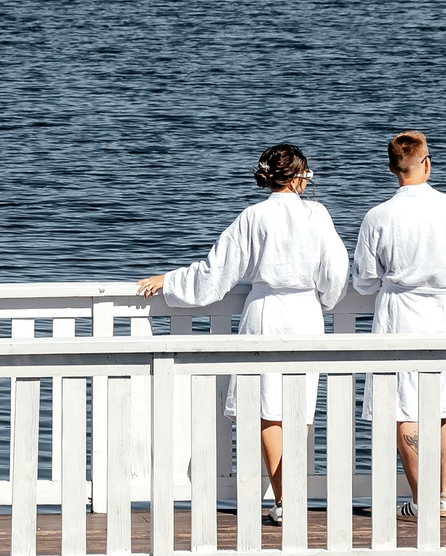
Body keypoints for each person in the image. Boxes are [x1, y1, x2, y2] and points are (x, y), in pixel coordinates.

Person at [136, 143, 348, 523]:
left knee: (269, 410)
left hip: (265, 312)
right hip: (305, 314)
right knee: (298, 411)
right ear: (300, 176)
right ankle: (292, 495)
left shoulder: (253, 216)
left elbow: (213, 275)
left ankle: (285, 499)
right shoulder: (318, 215)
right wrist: (327, 301)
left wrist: (168, 281)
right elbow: (335, 272)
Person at [351, 130, 446, 519]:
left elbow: (364, 279)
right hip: (444, 311)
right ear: (427, 162)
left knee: (403, 404)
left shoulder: (379, 216)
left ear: (392, 168)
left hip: (399, 314)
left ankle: (421, 499)